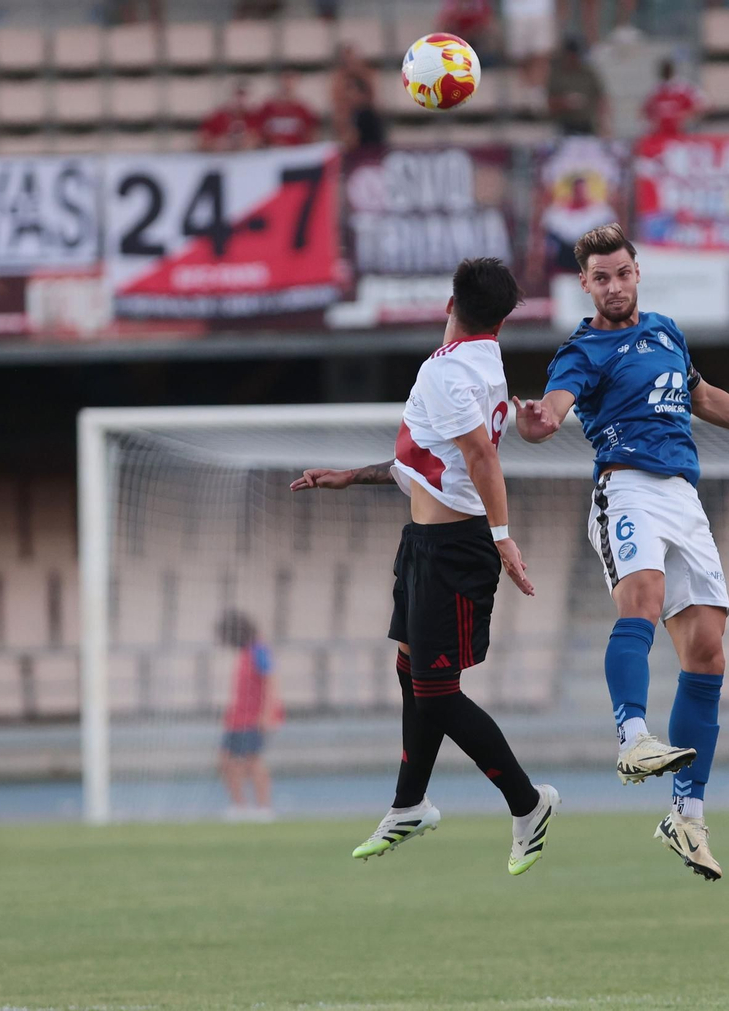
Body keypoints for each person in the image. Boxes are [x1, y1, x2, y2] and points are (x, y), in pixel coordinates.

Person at [511, 223, 729, 881]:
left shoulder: (666, 330)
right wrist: (538, 421)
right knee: (643, 600)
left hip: (684, 497)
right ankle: (632, 737)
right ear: (586, 285)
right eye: (602, 277)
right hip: (625, 486)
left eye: (623, 272)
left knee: (709, 650)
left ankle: (685, 815)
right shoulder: (582, 349)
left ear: (636, 272)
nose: (615, 284)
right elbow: (554, 407)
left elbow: (702, 396)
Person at [288, 258, 558, 876]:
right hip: (423, 544)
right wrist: (348, 477)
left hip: (455, 551)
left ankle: (528, 801)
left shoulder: (448, 372)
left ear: (448, 304)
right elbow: (430, 463)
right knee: (413, 672)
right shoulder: (483, 365)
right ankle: (409, 804)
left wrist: (503, 537)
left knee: (435, 693)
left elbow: (481, 458)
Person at [216, 611, 280, 822]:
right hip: (237, 717)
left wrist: (266, 713)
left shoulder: (258, 650)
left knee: (252, 761)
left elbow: (270, 681)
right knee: (225, 761)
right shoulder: (245, 652)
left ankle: (264, 808)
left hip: (252, 717)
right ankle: (240, 807)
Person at [547, 37, 609, 137]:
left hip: (587, 125)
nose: (573, 58)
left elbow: (601, 97)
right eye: (570, 55)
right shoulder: (556, 74)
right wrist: (564, 102)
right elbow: (548, 102)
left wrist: (603, 122)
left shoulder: (588, 73)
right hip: (563, 125)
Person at [642, 59, 705, 138]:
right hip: (660, 133)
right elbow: (645, 111)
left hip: (681, 132)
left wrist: (686, 117)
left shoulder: (683, 88)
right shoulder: (655, 90)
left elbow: (701, 104)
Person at [256, 71, 320, 147]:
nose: (287, 85)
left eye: (290, 81)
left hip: (294, 152)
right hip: (272, 152)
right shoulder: (268, 108)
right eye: (285, 80)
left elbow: (311, 133)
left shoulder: (302, 109)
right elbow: (258, 132)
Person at [198, 81, 261, 152]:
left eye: (244, 96)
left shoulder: (255, 117)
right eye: (238, 95)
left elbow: (265, 141)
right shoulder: (218, 116)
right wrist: (216, 143)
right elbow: (201, 141)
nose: (241, 100)